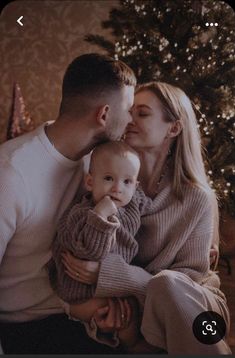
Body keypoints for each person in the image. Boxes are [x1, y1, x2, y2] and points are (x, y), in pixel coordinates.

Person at [62, 81, 232, 354]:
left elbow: (183, 282)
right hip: (133, 307)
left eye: (142, 113)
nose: (129, 120)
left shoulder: (196, 198)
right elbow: (85, 253)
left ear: (173, 128)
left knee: (168, 284)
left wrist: (111, 275)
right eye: (129, 112)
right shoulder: (111, 182)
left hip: (197, 309)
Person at [0, 53, 136, 354]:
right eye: (128, 110)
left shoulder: (99, 163)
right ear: (103, 115)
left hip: (78, 313)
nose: (131, 120)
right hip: (21, 328)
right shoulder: (11, 172)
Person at [49, 140, 155, 349]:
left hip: (108, 284)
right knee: (128, 318)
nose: (117, 188)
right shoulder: (82, 215)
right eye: (108, 178)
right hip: (79, 293)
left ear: (135, 186)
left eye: (127, 182)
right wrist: (101, 216)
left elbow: (154, 207)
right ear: (90, 182)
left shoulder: (131, 203)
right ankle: (133, 348)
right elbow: (92, 252)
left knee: (138, 311)